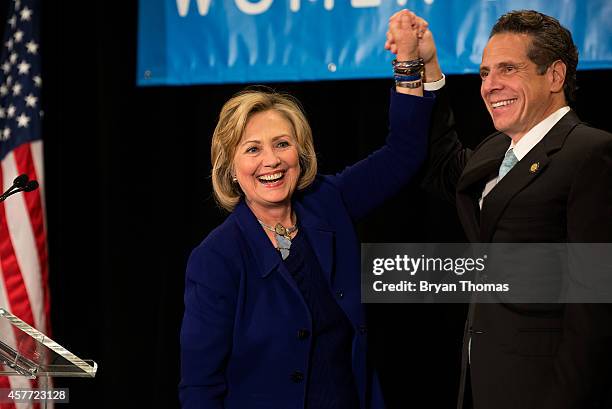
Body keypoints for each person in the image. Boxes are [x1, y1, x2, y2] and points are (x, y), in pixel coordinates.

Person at [179, 12, 435, 409]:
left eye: (282, 143)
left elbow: (405, 153)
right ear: (230, 167)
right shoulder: (215, 259)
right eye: (252, 149)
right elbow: (200, 388)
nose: (271, 161)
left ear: (301, 151)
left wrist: (409, 62)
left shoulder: (328, 201)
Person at [388, 9, 612, 409]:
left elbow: (593, 308)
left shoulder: (591, 152)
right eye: (485, 73)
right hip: (482, 385)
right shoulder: (497, 151)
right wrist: (426, 66)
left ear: (555, 76)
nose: (490, 85)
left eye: (508, 69)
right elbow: (439, 163)